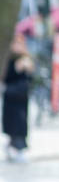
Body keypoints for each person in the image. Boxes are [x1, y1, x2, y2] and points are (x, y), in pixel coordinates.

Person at [2, 33, 34, 163]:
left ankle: (17, 148)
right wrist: (16, 68)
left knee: (21, 124)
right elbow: (6, 77)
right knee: (13, 124)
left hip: (22, 97)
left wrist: (28, 68)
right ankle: (15, 148)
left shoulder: (26, 59)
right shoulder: (8, 60)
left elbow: (30, 79)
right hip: (10, 96)